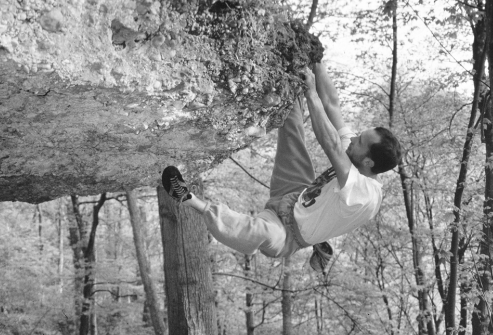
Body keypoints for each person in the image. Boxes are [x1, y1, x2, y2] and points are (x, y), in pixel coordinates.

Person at [161, 62, 402, 271]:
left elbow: (331, 144)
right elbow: (332, 105)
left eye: (360, 141)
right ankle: (288, 77)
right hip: (297, 192)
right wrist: (315, 61)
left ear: (368, 162)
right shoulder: (360, 155)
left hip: (289, 236)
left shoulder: (365, 194)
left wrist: (312, 94)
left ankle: (189, 199)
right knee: (292, 119)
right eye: (360, 134)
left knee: (259, 232)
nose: (354, 138)